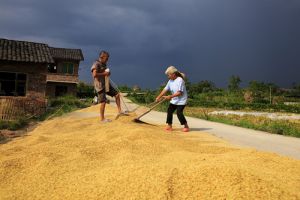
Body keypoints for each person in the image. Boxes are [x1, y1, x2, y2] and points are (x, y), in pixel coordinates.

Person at [91, 51, 123, 123]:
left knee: (117, 95)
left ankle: (120, 111)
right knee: (103, 101)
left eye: (108, 58)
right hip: (100, 85)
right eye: (106, 58)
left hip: (106, 84)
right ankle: (102, 119)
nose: (107, 60)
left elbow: (104, 73)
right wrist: (105, 73)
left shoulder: (104, 64)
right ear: (102, 57)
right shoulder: (96, 64)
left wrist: (107, 74)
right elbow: (94, 75)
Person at [155, 66, 190, 132]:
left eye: (168, 75)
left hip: (181, 100)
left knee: (179, 113)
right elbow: (165, 89)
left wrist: (170, 96)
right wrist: (158, 97)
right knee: (169, 111)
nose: (168, 76)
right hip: (174, 99)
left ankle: (186, 126)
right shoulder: (170, 81)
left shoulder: (180, 80)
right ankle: (169, 125)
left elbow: (180, 93)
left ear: (173, 74)